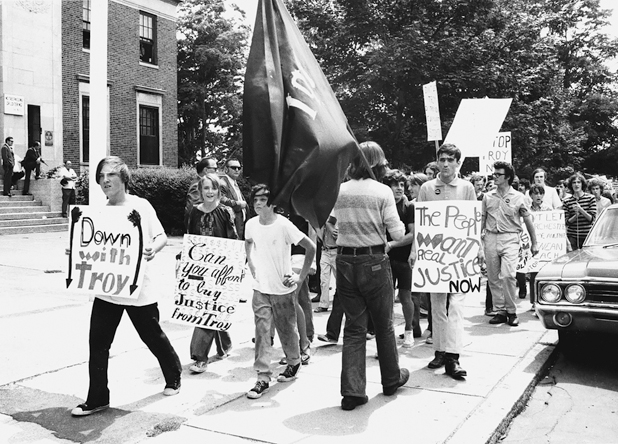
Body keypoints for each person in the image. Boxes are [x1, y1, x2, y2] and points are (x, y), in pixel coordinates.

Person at [71, 156, 182, 417]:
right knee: (98, 343)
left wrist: (153, 248)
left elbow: (161, 235)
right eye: (101, 176)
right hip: (107, 288)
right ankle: (97, 397)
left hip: (137, 288)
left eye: (110, 175)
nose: (105, 180)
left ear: (124, 178)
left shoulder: (140, 206)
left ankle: (173, 373)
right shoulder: (98, 211)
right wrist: (75, 249)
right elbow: (90, 243)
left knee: (152, 336)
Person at [334, 141, 409, 411]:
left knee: (354, 328)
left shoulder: (339, 190)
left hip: (344, 261)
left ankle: (352, 391)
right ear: (378, 163)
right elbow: (398, 233)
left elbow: (329, 224)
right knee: (384, 324)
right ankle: (390, 379)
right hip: (374, 260)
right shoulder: (382, 191)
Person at [410, 143, 478, 380]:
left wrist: (476, 249)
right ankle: (439, 350)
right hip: (435, 255)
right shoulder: (428, 188)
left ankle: (454, 356)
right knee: (437, 305)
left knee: (457, 306)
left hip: (459, 255)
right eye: (442, 159)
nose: (446, 164)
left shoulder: (467, 188)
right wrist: (415, 249)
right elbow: (420, 222)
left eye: (451, 160)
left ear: (458, 163)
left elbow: (473, 222)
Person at [244, 184, 316, 399]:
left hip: (283, 289)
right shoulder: (251, 224)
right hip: (260, 288)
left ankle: (294, 361)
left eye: (263, 200)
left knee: (286, 329)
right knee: (262, 331)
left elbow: (311, 247)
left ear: (272, 203)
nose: (258, 204)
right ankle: (263, 377)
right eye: (255, 200)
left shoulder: (284, 225)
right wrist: (251, 263)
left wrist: (300, 277)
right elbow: (248, 243)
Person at [185, 173, 237, 373]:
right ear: (200, 191)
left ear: (218, 190)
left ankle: (200, 356)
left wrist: (233, 267)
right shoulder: (194, 213)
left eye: (213, 188)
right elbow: (190, 238)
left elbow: (233, 240)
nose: (209, 192)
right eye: (205, 188)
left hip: (220, 270)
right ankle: (224, 346)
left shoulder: (226, 212)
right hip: (199, 269)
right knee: (205, 309)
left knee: (211, 309)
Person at [482, 162, 539, 327]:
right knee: (493, 277)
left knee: (508, 275)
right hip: (491, 237)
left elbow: (528, 220)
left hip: (510, 238)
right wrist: (479, 242)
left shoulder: (519, 197)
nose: (495, 177)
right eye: (494, 174)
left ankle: (511, 311)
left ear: (507, 177)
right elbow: (483, 219)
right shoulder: (488, 196)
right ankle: (500, 311)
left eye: (498, 174)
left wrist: (535, 243)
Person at [383, 169, 419, 347]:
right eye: (395, 185)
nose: (399, 188)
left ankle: (409, 330)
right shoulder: (383, 204)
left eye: (402, 185)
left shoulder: (409, 206)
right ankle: (387, 335)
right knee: (386, 299)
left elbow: (413, 234)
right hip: (385, 260)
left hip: (404, 259)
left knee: (406, 297)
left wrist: (391, 244)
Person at [527, 185, 552, 312]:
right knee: (533, 273)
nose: (538, 196)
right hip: (533, 243)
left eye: (540, 193)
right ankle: (533, 301)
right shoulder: (526, 209)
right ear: (530, 195)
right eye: (535, 193)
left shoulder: (548, 209)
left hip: (547, 244)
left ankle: (545, 299)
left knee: (545, 274)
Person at [563, 173, 596, 250]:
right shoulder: (566, 201)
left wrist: (581, 210)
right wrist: (575, 216)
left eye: (578, 182)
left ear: (582, 184)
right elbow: (566, 222)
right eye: (574, 182)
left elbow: (591, 219)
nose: (576, 185)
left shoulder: (590, 198)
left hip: (587, 236)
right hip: (573, 236)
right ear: (571, 185)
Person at [184, 157, 218, 229]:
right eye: (215, 169)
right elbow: (192, 210)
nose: (217, 172)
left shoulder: (201, 184)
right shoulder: (197, 186)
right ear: (206, 170)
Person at [315, 212, 338, 313]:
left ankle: (340, 302)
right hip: (325, 250)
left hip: (335, 250)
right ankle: (323, 304)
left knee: (339, 279)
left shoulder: (334, 217)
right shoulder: (321, 219)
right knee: (324, 279)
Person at [220, 158, 247, 239]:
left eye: (239, 168)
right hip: (231, 225)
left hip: (240, 223)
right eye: (233, 167)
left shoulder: (234, 182)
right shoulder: (222, 182)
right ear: (226, 169)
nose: (237, 170)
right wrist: (238, 204)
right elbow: (221, 199)